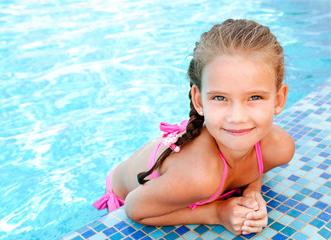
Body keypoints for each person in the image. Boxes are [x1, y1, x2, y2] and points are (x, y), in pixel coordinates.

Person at [93, 19, 295, 235]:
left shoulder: (278, 148)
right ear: (198, 101)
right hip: (132, 191)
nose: (237, 117)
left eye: (255, 97)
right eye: (220, 97)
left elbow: (254, 166)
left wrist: (252, 189)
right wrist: (217, 212)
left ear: (279, 99)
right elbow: (134, 208)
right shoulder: (199, 176)